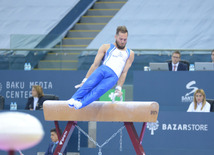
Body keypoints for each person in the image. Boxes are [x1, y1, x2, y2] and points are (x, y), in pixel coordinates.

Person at [68, 26, 134, 109]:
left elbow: (124, 72)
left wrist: (119, 88)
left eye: (125, 40)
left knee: (98, 91)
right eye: (121, 39)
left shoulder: (130, 53)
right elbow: (95, 65)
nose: (122, 42)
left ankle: (81, 103)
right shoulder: (106, 47)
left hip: (113, 77)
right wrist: (85, 80)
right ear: (115, 37)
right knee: (89, 84)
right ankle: (74, 99)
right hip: (103, 69)